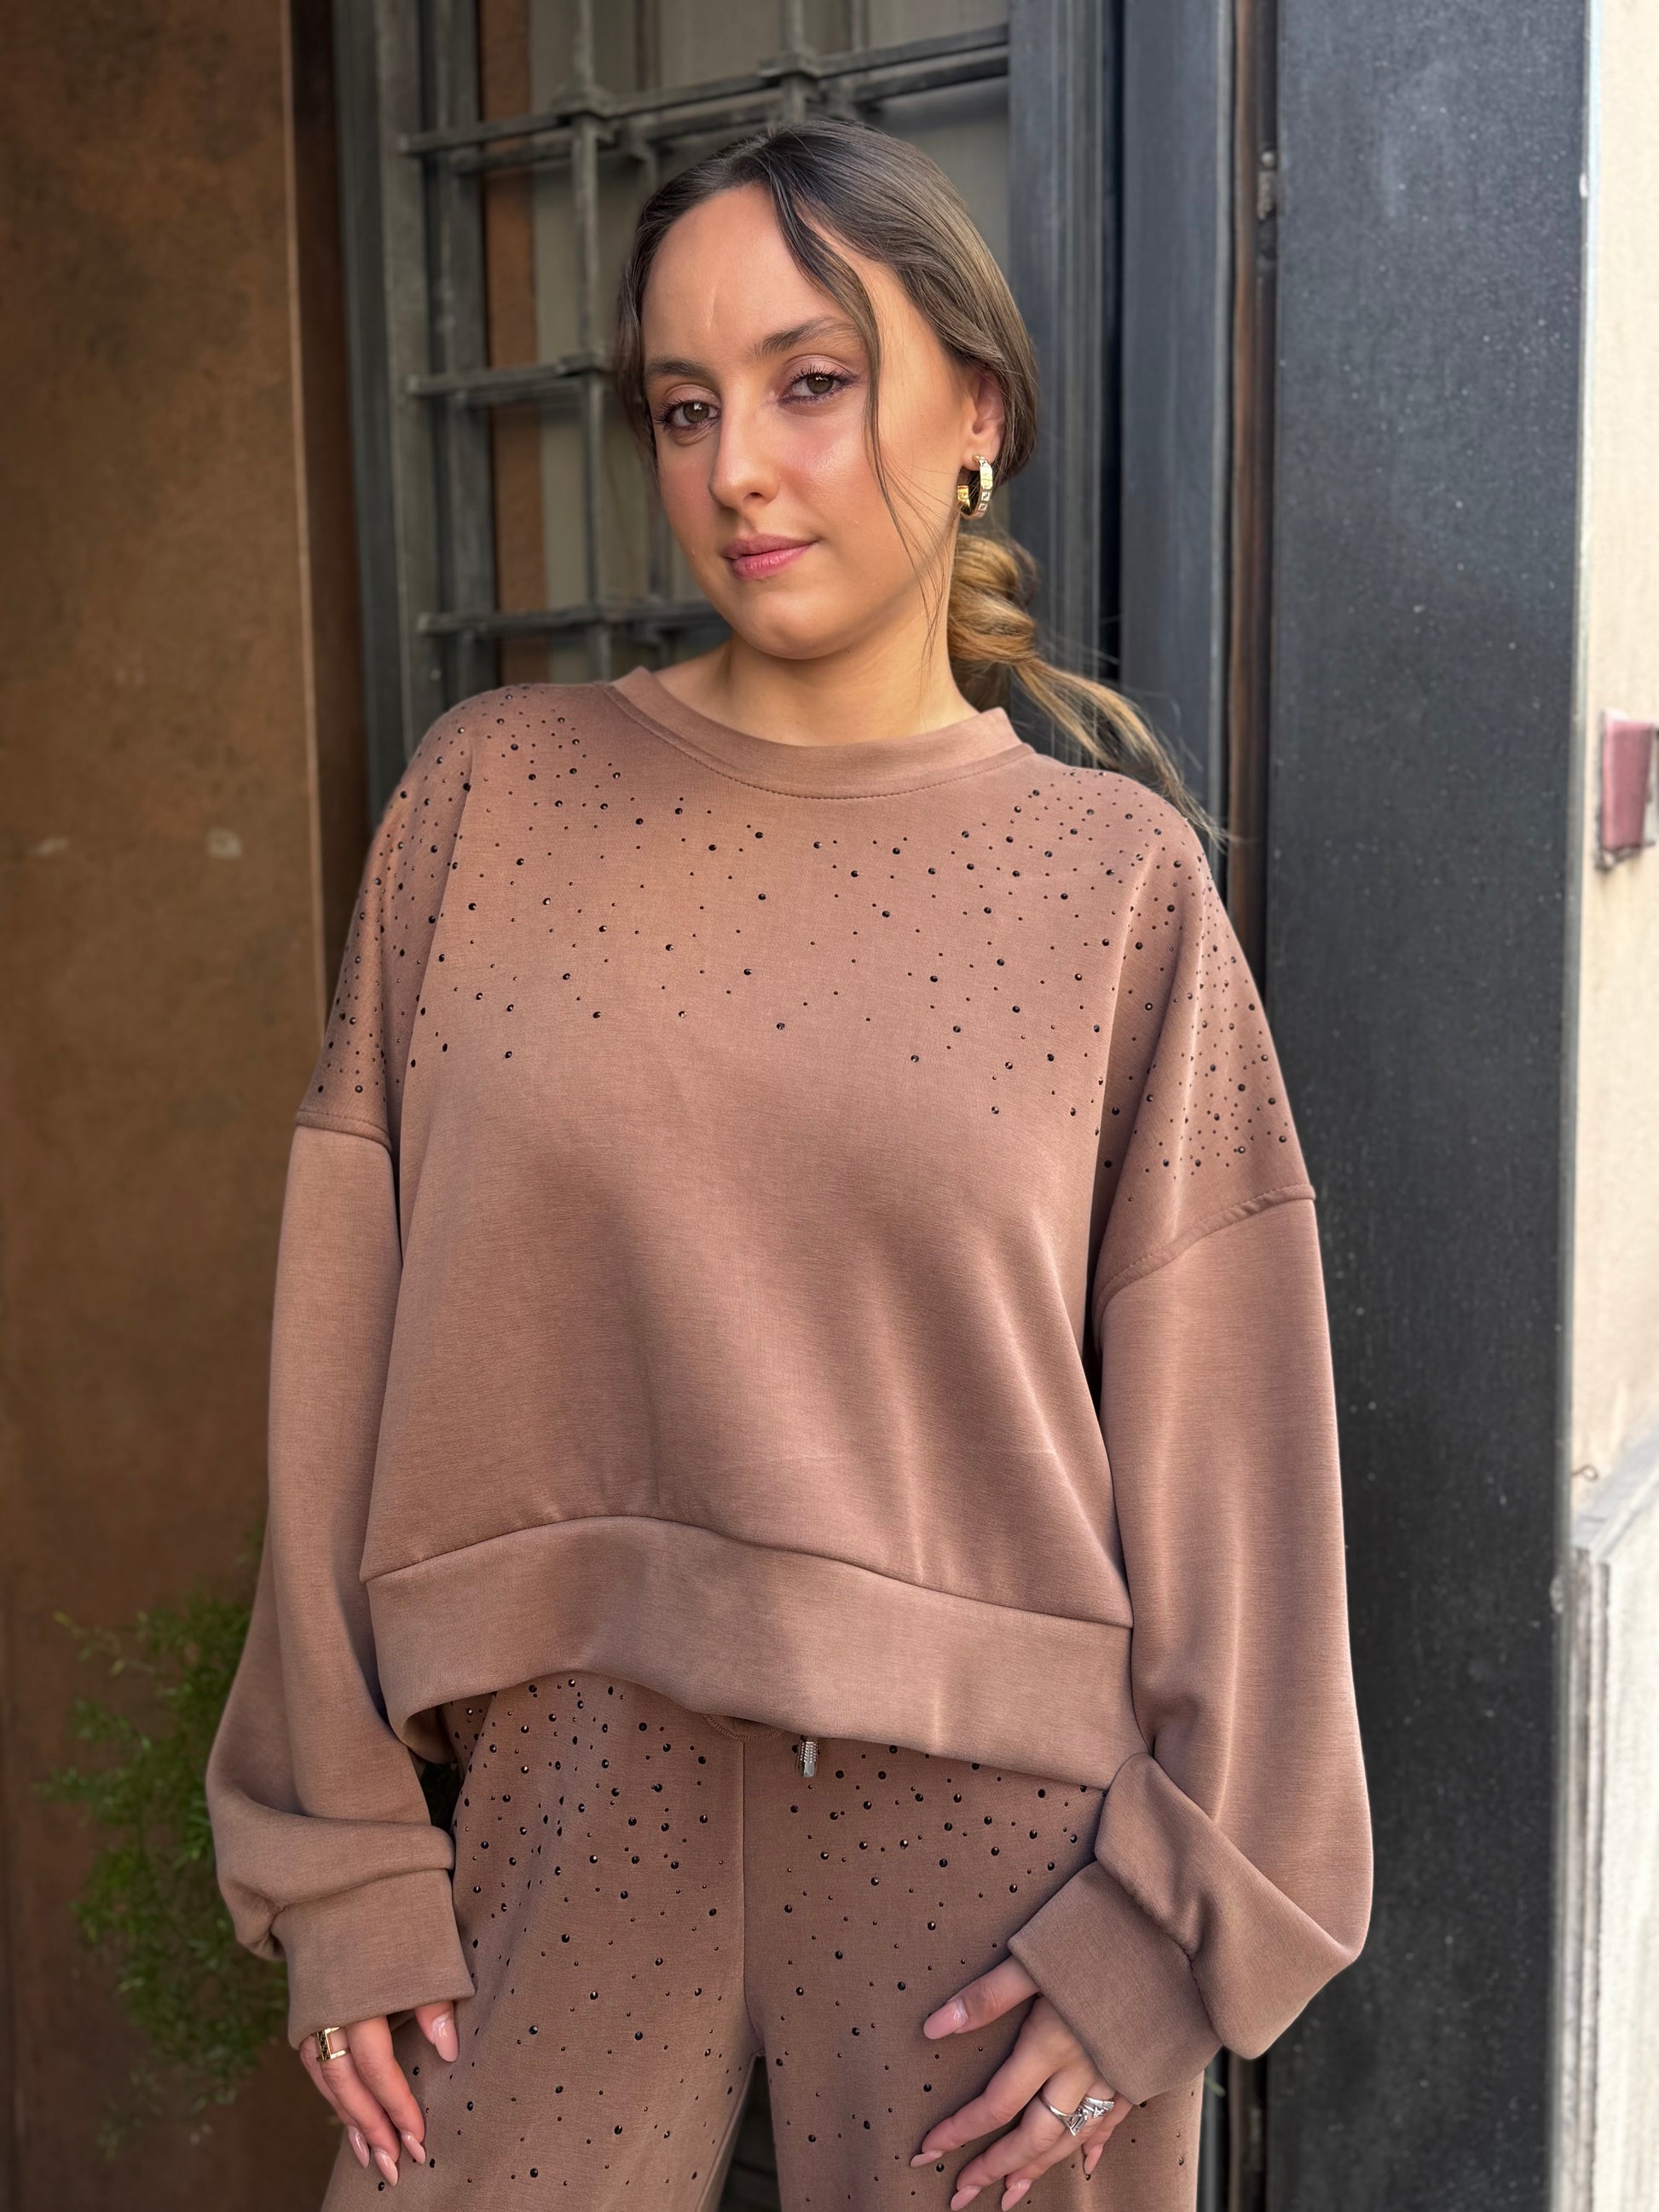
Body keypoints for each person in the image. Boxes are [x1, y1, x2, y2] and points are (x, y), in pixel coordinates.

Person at [205, 114, 1371, 2212]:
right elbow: (334, 1346)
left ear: (974, 412)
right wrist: (334, 1845)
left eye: (809, 381)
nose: (736, 466)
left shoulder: (1112, 887)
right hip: (558, 1785)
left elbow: (1237, 1454)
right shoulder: (490, 801)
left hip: (996, 1855)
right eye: (684, 405)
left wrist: (1170, 1932)